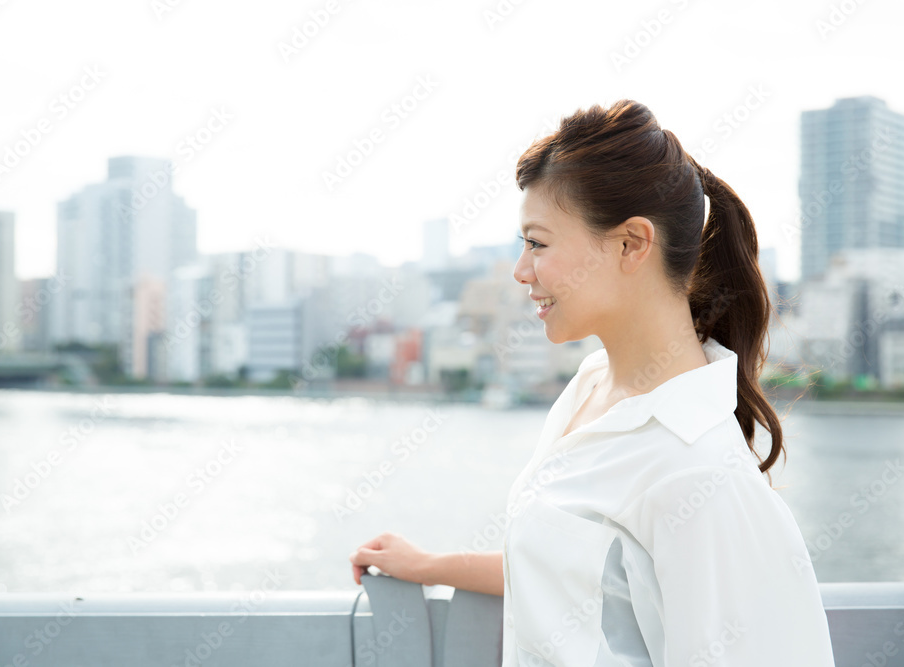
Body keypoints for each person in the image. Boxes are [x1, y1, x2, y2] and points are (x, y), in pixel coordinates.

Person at [350, 99, 836, 666]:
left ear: (631, 244)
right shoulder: (591, 387)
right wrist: (431, 566)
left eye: (537, 242)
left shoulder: (700, 473)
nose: (521, 270)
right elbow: (580, 580)